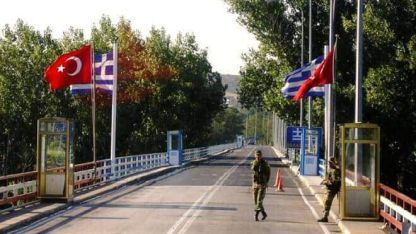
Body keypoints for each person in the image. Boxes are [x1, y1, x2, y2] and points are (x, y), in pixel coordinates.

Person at [318, 157, 341, 222]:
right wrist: (324, 181)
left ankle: (325, 217)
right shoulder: (330, 169)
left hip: (332, 189)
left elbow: (335, 181)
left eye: (331, 163)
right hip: (329, 189)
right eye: (329, 163)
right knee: (325, 201)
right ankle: (325, 216)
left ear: (334, 163)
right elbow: (328, 178)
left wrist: (327, 182)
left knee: (327, 202)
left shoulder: (336, 171)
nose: (329, 164)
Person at [251, 150, 271, 221]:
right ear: (255, 155)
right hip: (255, 184)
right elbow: (253, 171)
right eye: (257, 155)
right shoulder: (254, 163)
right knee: (256, 201)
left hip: (262, 184)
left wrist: (265, 183)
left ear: (261, 155)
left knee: (259, 201)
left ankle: (256, 215)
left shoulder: (265, 164)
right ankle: (264, 213)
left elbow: (268, 174)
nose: (258, 156)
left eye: (259, 155)